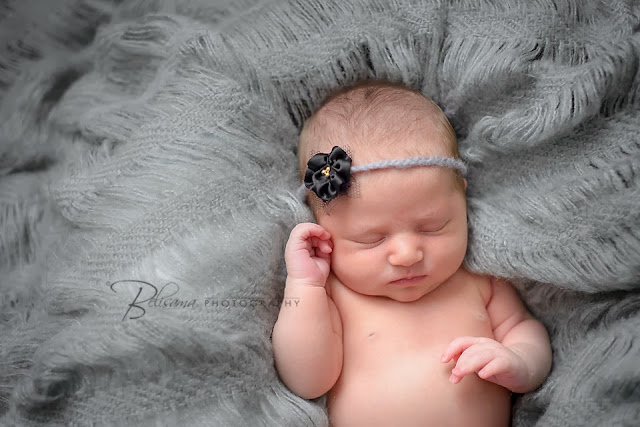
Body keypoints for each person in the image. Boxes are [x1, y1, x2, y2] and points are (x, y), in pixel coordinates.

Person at [271, 81, 552, 426]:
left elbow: (524, 330)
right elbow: (306, 380)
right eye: (371, 239)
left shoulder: (479, 283)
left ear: (461, 198)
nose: (406, 254)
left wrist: (520, 362)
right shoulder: (335, 297)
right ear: (323, 229)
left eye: (432, 226)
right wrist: (304, 286)